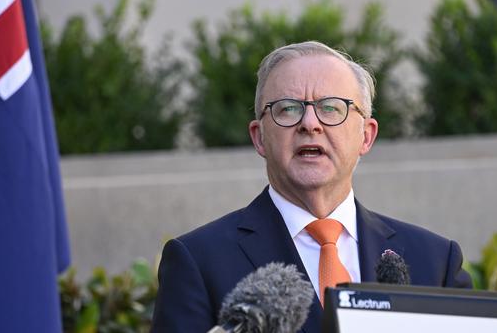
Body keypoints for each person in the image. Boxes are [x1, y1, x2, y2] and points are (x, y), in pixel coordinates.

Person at [151, 41, 471, 333]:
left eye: (331, 107)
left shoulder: (434, 259)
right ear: (260, 137)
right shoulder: (197, 260)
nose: (310, 123)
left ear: (366, 135)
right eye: (288, 108)